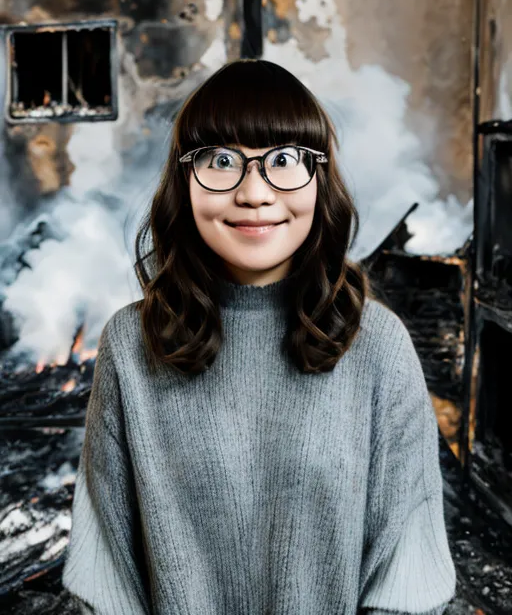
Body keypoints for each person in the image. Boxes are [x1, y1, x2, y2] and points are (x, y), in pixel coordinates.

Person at [62, 59, 456, 614]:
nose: (254, 193)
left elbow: (406, 571)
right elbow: (106, 575)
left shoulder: (378, 346)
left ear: (320, 179)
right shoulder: (130, 345)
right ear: (184, 178)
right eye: (221, 161)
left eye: (285, 160)